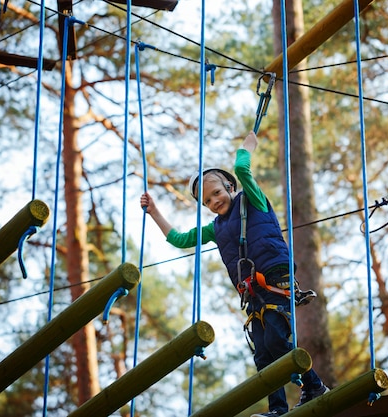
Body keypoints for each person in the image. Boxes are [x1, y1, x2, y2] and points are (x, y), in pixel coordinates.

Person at [140, 131, 329, 416]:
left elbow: (242, 169)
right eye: (207, 201)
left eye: (216, 192)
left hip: (276, 280)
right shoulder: (214, 228)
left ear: (230, 186)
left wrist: (246, 147)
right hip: (253, 293)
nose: (214, 201)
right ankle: (278, 409)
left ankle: (314, 386)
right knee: (263, 354)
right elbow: (179, 239)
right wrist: (154, 212)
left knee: (278, 340)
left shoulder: (252, 199)